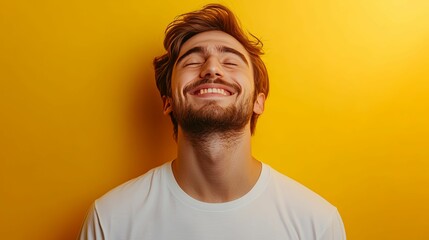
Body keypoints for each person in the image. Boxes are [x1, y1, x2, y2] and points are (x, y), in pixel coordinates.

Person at [78, 4, 346, 240]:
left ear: (258, 101)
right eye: (193, 61)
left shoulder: (317, 224)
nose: (212, 68)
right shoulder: (111, 219)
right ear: (167, 101)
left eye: (230, 62)